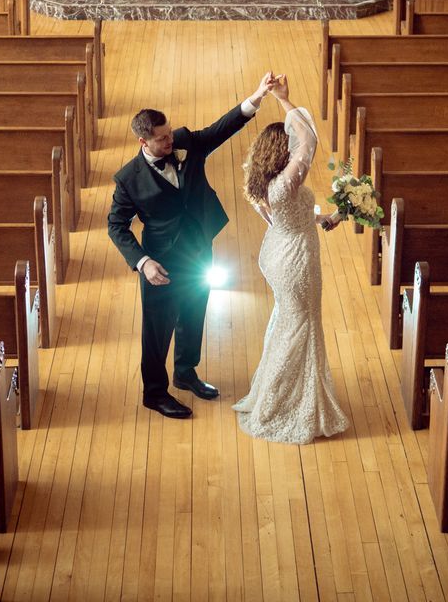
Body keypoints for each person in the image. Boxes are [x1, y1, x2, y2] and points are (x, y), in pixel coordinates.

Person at [108, 72, 276, 418]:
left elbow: (219, 130)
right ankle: (155, 393)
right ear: (144, 142)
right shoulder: (128, 180)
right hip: (161, 262)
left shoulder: (184, 141)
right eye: (162, 138)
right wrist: (142, 262)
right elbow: (116, 226)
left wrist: (256, 96)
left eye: (170, 132)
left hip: (199, 249)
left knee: (194, 313)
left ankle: (186, 373)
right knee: (157, 331)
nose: (171, 139)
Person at [233, 76, 349, 446]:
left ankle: (284, 394)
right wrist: (285, 100)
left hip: (280, 251)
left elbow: (290, 216)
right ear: (283, 152)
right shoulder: (283, 185)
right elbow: (310, 141)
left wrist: (329, 217)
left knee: (289, 319)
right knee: (302, 323)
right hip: (297, 259)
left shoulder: (263, 184)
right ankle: (286, 403)